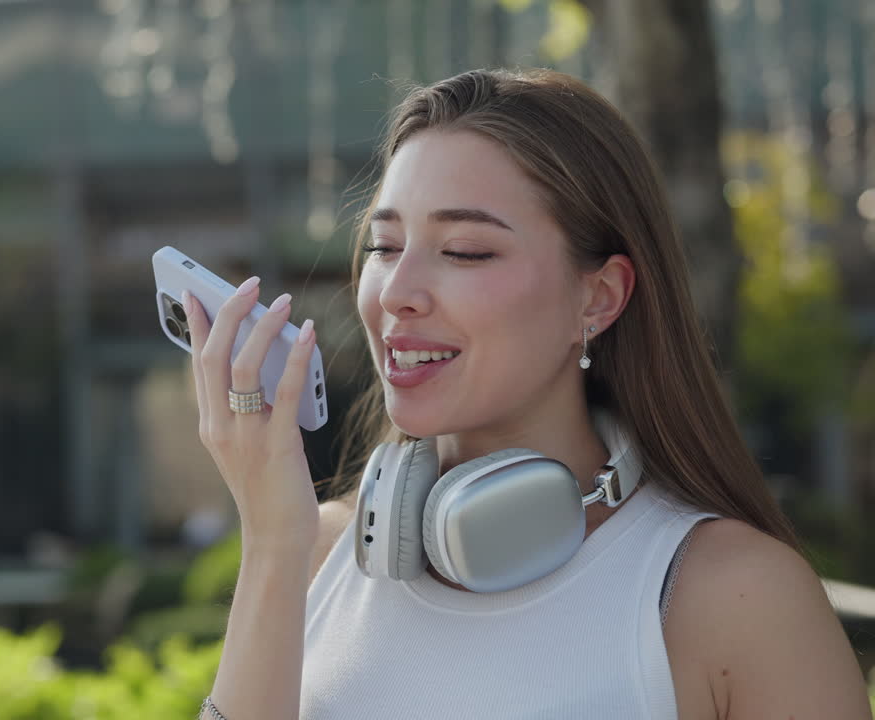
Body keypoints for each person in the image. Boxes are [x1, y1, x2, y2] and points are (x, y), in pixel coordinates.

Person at [180, 68, 870, 719]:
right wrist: (272, 543)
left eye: (466, 251)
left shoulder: (736, 596)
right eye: (385, 247)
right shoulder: (314, 552)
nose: (396, 291)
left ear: (596, 298)